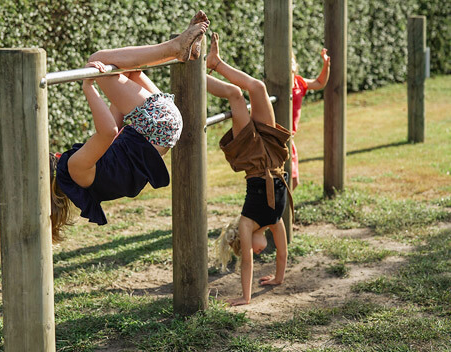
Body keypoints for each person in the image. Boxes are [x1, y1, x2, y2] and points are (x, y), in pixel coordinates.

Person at [49, 11, 210, 242]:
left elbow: (116, 121)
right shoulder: (74, 167)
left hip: (165, 128)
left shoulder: (85, 182)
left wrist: (112, 85)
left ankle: (185, 50)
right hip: (156, 124)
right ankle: (176, 47)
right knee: (99, 58)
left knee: (126, 67)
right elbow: (108, 132)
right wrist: (89, 87)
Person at [207, 32, 294, 306]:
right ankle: (212, 64)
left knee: (241, 92)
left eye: (253, 250)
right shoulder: (274, 220)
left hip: (253, 158)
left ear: (242, 242)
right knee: (252, 89)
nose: (256, 253)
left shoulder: (248, 222)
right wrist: (279, 278)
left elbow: (246, 263)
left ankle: (200, 69)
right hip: (273, 154)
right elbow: (283, 254)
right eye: (255, 252)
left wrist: (245, 297)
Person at [291, 49, 330, 189]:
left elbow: (319, 83)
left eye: (292, 60)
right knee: (286, 180)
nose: (290, 62)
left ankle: (281, 208)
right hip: (278, 136)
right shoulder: (277, 85)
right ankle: (278, 209)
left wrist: (326, 65)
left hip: (291, 138)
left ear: (296, 65)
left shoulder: (299, 82)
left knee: (294, 181)